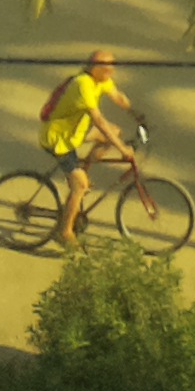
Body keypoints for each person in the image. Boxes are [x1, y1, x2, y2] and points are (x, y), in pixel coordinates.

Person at [37, 48, 136, 246]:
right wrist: (122, 149)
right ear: (95, 68)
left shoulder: (101, 80)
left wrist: (136, 115)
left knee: (114, 132)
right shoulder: (83, 84)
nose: (112, 72)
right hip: (59, 139)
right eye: (107, 68)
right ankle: (64, 232)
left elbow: (117, 97)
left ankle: (83, 173)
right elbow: (99, 120)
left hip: (76, 133)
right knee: (80, 185)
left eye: (113, 67)